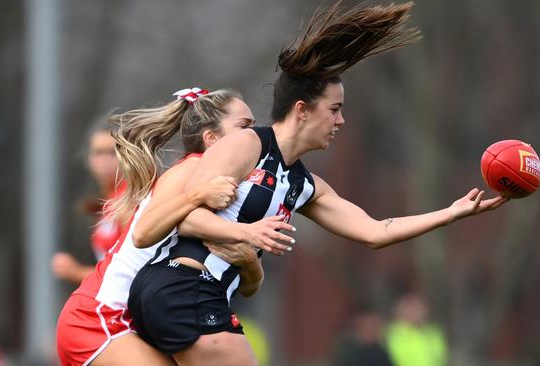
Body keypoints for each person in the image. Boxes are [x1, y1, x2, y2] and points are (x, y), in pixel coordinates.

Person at [128, 2, 508, 366]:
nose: (341, 121)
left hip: (186, 295)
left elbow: (376, 231)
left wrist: (452, 213)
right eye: (335, 109)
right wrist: (248, 233)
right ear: (301, 110)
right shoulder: (247, 144)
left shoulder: (306, 185)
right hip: (183, 284)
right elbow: (186, 217)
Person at [56, 88, 277, 366]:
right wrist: (197, 196)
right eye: (244, 127)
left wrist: (251, 264)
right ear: (211, 138)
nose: (254, 135)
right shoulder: (193, 170)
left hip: (137, 321)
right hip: (100, 319)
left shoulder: (234, 189)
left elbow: (248, 286)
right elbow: (142, 234)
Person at [51, 122, 124, 284]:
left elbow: (128, 273)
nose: (105, 160)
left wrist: (77, 272)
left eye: (113, 152)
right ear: (89, 158)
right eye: (98, 152)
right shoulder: (106, 201)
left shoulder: (129, 200)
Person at [384, 293, 446, 366]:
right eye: (411, 307)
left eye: (420, 307)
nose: (417, 311)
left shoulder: (434, 331)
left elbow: (441, 357)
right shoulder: (393, 334)